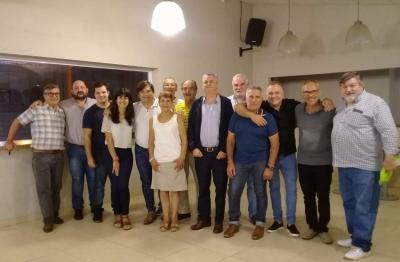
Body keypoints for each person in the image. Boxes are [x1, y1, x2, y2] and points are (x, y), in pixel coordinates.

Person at [235, 80, 335, 237]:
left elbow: (312, 101)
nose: (274, 96)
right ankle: (277, 221)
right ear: (266, 96)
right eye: (271, 93)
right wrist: (250, 115)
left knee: (291, 189)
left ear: (283, 94)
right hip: (270, 157)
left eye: (277, 93)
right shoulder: (263, 106)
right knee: (273, 189)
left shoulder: (293, 106)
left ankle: (291, 222)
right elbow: (238, 107)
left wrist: (327, 100)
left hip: (288, 155)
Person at [332, 72, 398, 260]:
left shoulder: (375, 103)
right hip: (344, 165)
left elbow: (388, 130)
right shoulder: (343, 107)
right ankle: (355, 236)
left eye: (352, 85)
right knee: (349, 203)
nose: (348, 89)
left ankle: (363, 245)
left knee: (364, 206)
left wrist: (390, 155)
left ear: (361, 85)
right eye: (345, 86)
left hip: (366, 166)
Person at [5, 83, 65, 232]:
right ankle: (48, 220)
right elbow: (17, 122)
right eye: (50, 93)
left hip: (59, 155)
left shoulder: (62, 112)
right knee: (44, 189)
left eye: (56, 93)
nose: (53, 96)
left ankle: (55, 214)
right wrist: (9, 141)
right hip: (41, 156)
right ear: (44, 96)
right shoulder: (36, 109)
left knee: (56, 188)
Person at [224, 86, 279, 240]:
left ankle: (260, 223)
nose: (254, 100)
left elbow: (275, 144)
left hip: (260, 163)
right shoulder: (237, 116)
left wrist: (270, 167)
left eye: (257, 97)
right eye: (251, 97)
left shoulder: (268, 118)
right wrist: (230, 162)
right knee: (234, 192)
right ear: (245, 99)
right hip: (239, 161)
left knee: (260, 193)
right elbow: (230, 141)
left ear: (262, 99)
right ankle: (233, 221)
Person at [188, 73, 233, 234]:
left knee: (220, 189)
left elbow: (230, 129)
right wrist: (193, 147)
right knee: (203, 189)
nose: (208, 84)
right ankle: (204, 219)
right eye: (205, 82)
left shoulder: (226, 104)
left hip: (219, 155)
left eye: (211, 81)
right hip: (202, 154)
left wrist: (224, 150)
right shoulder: (197, 104)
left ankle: (219, 221)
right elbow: (191, 128)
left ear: (217, 83)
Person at [295, 80, 335, 244]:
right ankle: (312, 226)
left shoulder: (329, 109)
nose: (310, 95)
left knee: (323, 196)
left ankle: (323, 228)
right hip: (304, 161)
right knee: (308, 196)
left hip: (324, 162)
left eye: (313, 91)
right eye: (306, 92)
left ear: (318, 91)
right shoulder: (298, 109)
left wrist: (329, 100)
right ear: (302, 94)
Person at [149, 91, 187, 232]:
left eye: (168, 100)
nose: (165, 103)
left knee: (174, 192)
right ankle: (166, 219)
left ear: (172, 102)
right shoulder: (152, 120)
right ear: (159, 102)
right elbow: (151, 142)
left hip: (175, 160)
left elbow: (184, 140)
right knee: (163, 192)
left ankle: (174, 219)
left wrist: (182, 157)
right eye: (163, 100)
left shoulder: (178, 118)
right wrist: (152, 159)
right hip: (159, 161)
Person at [60, 80, 96, 220]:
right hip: (74, 148)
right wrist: (37, 103)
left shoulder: (95, 103)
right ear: (72, 91)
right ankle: (78, 209)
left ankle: (95, 207)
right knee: (77, 180)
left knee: (93, 179)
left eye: (82, 87)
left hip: (93, 149)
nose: (79, 89)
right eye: (76, 88)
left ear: (87, 89)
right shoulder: (64, 105)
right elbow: (48, 106)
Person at [102, 88, 135, 230]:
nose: (123, 100)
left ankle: (125, 215)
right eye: (120, 97)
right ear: (115, 99)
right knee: (115, 185)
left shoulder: (132, 116)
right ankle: (117, 214)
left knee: (123, 185)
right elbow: (108, 138)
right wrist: (114, 158)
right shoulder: (109, 115)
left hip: (127, 153)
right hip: (111, 153)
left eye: (126, 97)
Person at [228, 73, 257, 224]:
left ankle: (254, 214)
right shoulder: (227, 102)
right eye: (235, 85)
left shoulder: (254, 101)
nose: (238, 88)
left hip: (253, 152)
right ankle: (234, 216)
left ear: (247, 85)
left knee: (253, 187)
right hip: (233, 152)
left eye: (241, 85)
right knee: (234, 188)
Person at [82, 82, 111, 222]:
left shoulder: (115, 109)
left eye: (103, 92)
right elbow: (87, 136)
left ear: (108, 93)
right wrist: (89, 157)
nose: (101, 95)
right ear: (94, 95)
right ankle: (97, 210)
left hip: (116, 155)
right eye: (98, 93)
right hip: (99, 156)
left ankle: (119, 210)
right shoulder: (89, 113)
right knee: (99, 185)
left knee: (119, 185)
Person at [133, 80, 160, 225]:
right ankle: (151, 210)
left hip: (160, 150)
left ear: (153, 92)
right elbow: (117, 110)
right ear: (138, 94)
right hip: (141, 150)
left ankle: (164, 207)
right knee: (146, 181)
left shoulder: (161, 105)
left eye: (148, 91)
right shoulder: (134, 107)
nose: (146, 94)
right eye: (142, 92)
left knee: (161, 180)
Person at [175, 80, 198, 220]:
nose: (187, 91)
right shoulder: (178, 107)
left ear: (196, 90)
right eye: (184, 88)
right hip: (181, 150)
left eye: (190, 88)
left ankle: (201, 209)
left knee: (200, 180)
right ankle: (183, 210)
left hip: (196, 150)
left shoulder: (200, 105)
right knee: (181, 180)